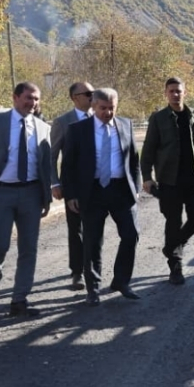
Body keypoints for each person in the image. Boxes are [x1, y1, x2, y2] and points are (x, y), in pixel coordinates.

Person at [0, 82, 54, 317]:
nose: (32, 103)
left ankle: (19, 300)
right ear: (15, 98)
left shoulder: (43, 128)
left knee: (29, 248)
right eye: (28, 98)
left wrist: (46, 197)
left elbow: (45, 165)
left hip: (31, 194)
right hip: (0, 193)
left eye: (36, 99)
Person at [57, 88, 142, 305]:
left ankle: (121, 281)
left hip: (121, 190)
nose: (108, 113)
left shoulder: (125, 125)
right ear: (94, 106)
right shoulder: (78, 130)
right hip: (91, 191)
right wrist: (71, 195)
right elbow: (68, 166)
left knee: (131, 234)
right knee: (92, 242)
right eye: (103, 108)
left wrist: (136, 186)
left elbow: (134, 159)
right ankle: (93, 289)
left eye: (112, 108)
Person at [142, 77, 194, 285]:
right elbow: (148, 150)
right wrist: (147, 177)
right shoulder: (158, 119)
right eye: (171, 91)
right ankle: (175, 266)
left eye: (178, 91)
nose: (175, 94)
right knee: (173, 222)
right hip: (169, 180)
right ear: (166, 94)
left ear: (185, 93)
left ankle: (172, 247)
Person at [50, 82, 95, 291]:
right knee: (76, 230)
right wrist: (55, 182)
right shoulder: (62, 122)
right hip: (73, 185)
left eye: (93, 92)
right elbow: (52, 155)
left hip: (98, 184)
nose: (92, 96)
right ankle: (77, 272)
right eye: (88, 93)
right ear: (75, 97)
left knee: (94, 228)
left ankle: (92, 267)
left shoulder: (100, 117)